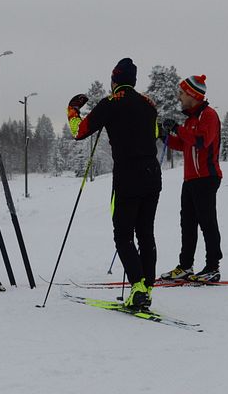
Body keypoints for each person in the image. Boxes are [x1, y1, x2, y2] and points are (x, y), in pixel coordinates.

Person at [67, 58, 162, 309]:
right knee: (145, 233)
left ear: (115, 80)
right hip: (152, 173)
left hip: (128, 174)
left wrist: (72, 110)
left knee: (123, 234)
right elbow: (154, 135)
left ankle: (138, 287)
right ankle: (147, 288)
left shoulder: (111, 103)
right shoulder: (148, 104)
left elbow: (79, 131)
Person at [160, 74, 223, 283]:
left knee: (207, 222)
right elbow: (183, 145)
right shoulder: (190, 119)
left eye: (181, 93)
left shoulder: (209, 115)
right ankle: (185, 266)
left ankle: (213, 267)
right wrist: (164, 136)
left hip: (206, 177)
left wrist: (177, 129)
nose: (178, 97)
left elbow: (201, 141)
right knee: (187, 223)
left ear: (192, 95)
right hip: (190, 179)